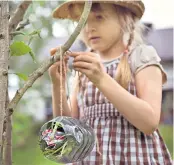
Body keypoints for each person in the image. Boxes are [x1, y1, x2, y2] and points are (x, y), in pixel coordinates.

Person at [49, 0, 172, 164]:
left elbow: (149, 123)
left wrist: (101, 78)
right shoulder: (83, 69)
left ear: (125, 18)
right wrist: (58, 85)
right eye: (82, 21)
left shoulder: (141, 56)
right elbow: (68, 133)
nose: (88, 28)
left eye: (99, 17)